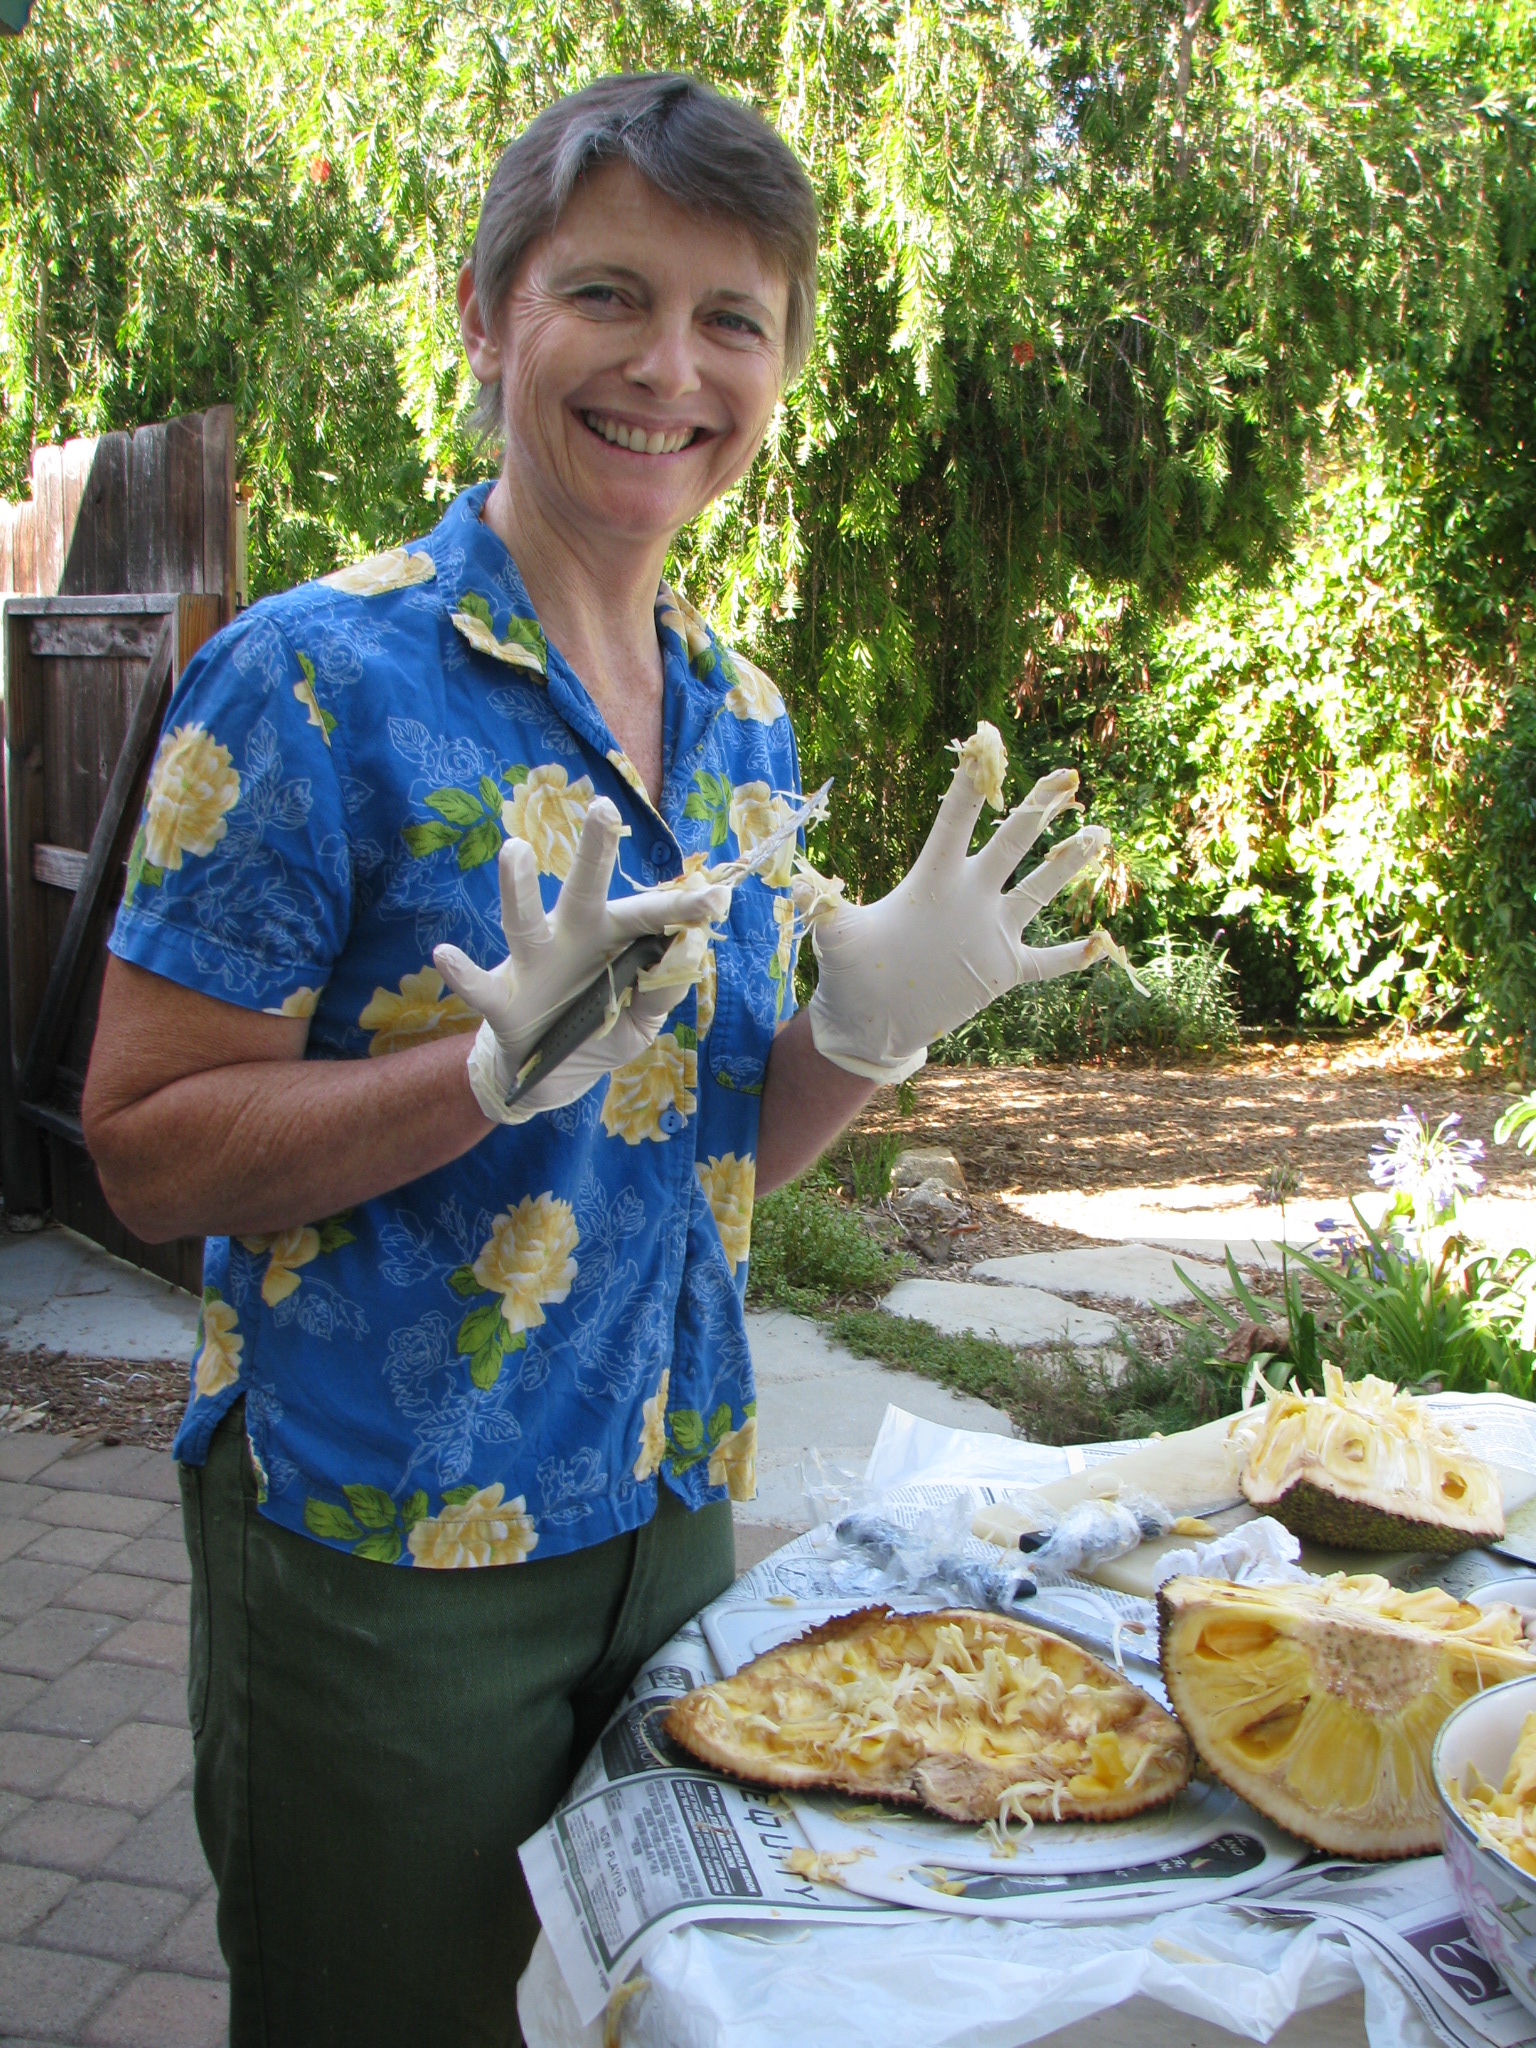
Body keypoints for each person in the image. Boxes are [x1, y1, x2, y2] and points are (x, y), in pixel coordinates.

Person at [82, 72, 1113, 2048]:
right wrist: (464, 1084)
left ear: (783, 365)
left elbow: (718, 1158)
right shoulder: (309, 680)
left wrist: (870, 1028)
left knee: (677, 2012)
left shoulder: (744, 721)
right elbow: (141, 1150)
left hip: (673, 1527)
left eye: (735, 319)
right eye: (610, 296)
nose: (672, 367)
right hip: (391, 1555)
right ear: (488, 315)